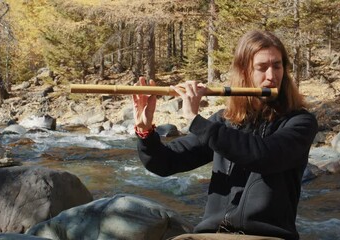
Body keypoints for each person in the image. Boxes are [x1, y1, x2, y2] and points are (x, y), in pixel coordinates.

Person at [132, 30, 318, 240]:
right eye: (262, 67)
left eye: (277, 66)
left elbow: (263, 156)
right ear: (244, 71)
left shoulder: (300, 122)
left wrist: (196, 121)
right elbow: (165, 163)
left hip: (267, 236)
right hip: (211, 234)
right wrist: (145, 132)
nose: (271, 76)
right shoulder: (224, 121)